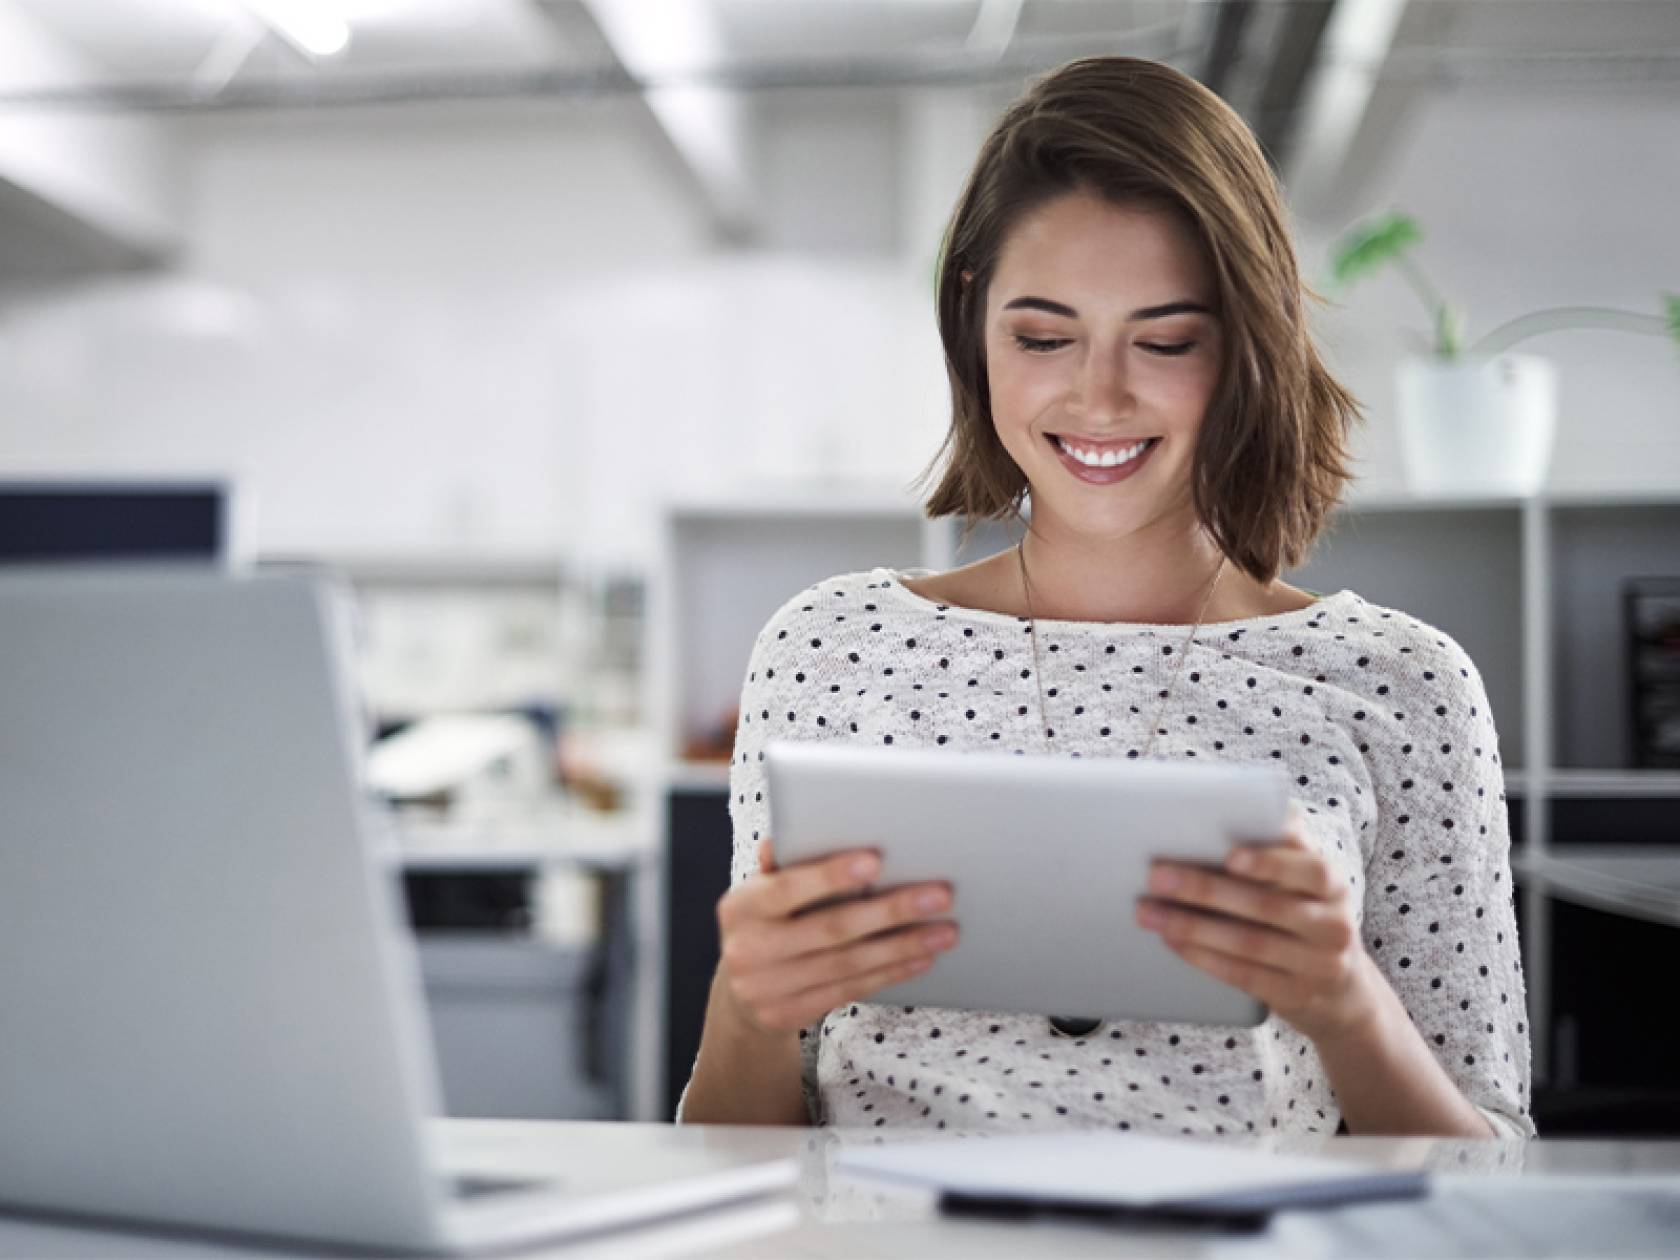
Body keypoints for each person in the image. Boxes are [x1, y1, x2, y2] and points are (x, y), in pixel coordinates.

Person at [676, 55, 1534, 1140]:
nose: (1099, 397)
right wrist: (749, 1010)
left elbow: (1491, 1173)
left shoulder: (1403, 682)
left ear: (1246, 350)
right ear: (975, 329)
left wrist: (1346, 1008)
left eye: (1165, 340)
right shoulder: (830, 646)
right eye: (1042, 338)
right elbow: (731, 1157)